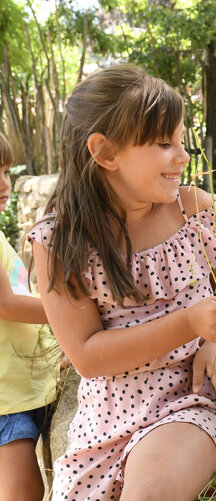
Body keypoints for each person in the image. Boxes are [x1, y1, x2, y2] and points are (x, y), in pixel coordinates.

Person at [28, 64, 216, 501]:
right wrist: (189, 322)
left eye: (181, 141)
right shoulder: (59, 240)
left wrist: (215, 340)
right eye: (164, 143)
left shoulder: (193, 211)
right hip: (105, 418)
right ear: (105, 152)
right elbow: (88, 356)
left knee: (150, 493)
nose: (183, 156)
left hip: (188, 400)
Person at [0, 131, 59, 501]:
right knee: (23, 491)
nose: (3, 183)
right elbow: (5, 304)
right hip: (8, 398)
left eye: (5, 171)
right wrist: (70, 316)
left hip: (28, 387)